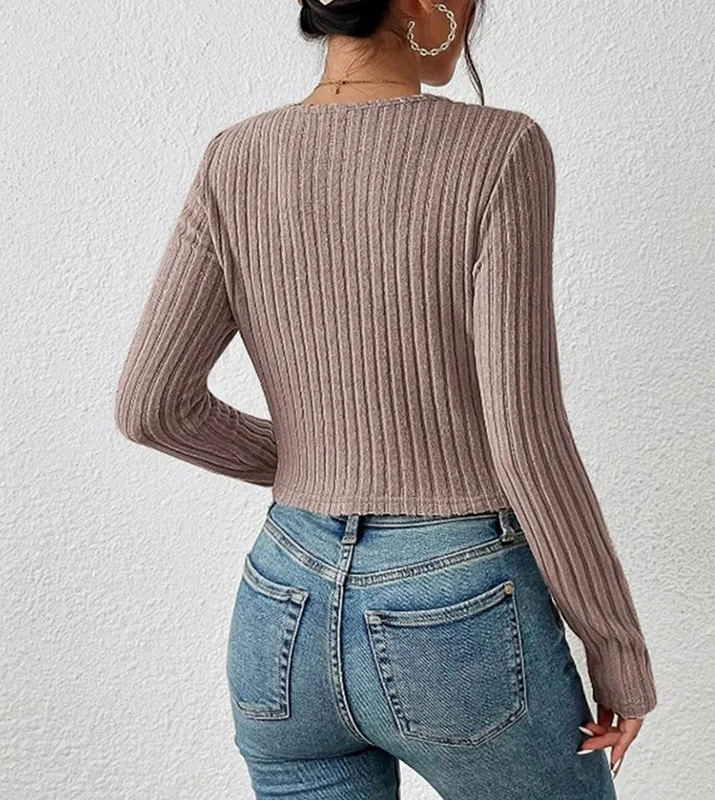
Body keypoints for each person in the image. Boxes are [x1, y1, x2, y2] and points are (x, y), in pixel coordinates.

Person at [113, 0, 657, 797]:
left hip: (282, 603)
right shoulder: (499, 149)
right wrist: (617, 653)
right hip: (454, 609)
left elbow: (150, 406)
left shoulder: (234, 159)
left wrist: (318, 460)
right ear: (422, 3)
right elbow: (525, 440)